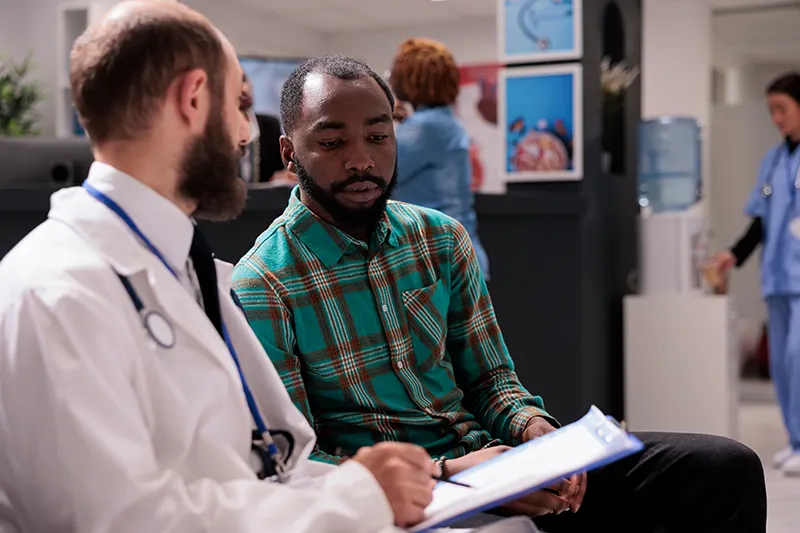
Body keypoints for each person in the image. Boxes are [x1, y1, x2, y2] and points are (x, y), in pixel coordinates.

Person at [232, 54, 768, 533]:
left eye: (379, 136)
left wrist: (536, 434)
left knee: (724, 469)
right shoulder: (263, 284)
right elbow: (295, 467)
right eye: (331, 142)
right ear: (289, 151)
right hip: (406, 503)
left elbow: (492, 381)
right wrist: (443, 474)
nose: (362, 160)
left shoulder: (438, 238)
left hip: (496, 466)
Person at [0, 3, 440, 532]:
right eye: (238, 104)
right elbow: (117, 521)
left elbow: (269, 463)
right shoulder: (57, 294)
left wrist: (376, 486)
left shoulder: (184, 268)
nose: (246, 134)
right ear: (193, 98)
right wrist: (356, 499)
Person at [710, 71, 800, 477]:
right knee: (782, 363)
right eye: (772, 111)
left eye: (782, 109)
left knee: (798, 358)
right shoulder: (774, 160)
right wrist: (734, 255)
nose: (776, 118)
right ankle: (795, 440)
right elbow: (761, 223)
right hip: (779, 277)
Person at [388, 38, 490, 279]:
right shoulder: (444, 122)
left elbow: (379, 173)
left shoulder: (422, 128)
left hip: (435, 261)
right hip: (459, 256)